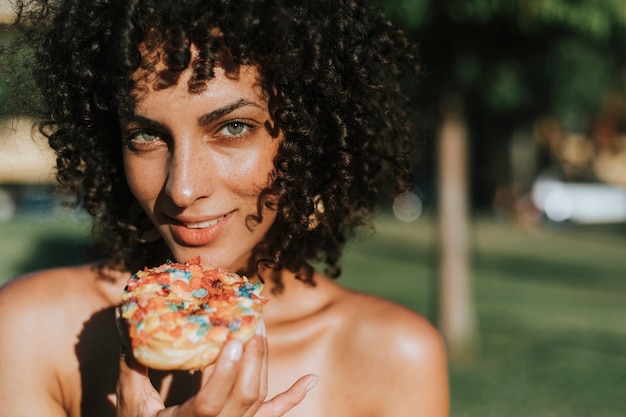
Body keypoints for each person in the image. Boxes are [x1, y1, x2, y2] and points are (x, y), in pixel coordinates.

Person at [0, 0, 449, 416]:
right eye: (146, 136)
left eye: (233, 127)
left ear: (309, 135)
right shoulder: (31, 331)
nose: (182, 188)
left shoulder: (394, 358)